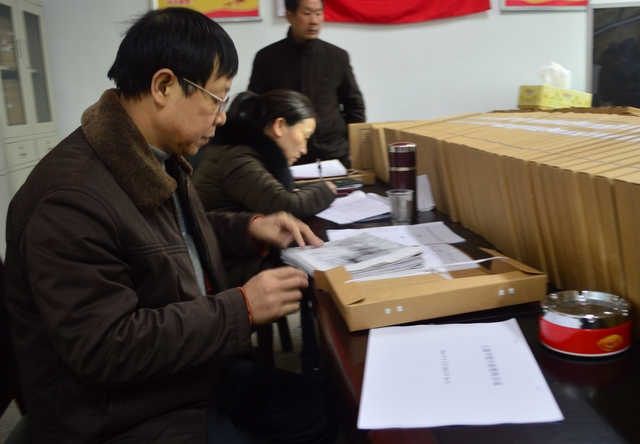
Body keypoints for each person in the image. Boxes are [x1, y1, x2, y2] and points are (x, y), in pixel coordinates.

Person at [3, 8, 337, 444]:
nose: (222, 117)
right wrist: (241, 308)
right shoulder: (70, 198)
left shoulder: (153, 155)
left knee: (326, 409)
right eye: (217, 98)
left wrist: (249, 227)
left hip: (187, 374)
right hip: (121, 415)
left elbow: (170, 238)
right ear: (163, 86)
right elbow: (106, 347)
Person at [248, 0, 365, 168]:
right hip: (286, 155)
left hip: (333, 152)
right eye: (307, 13)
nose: (314, 21)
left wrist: (353, 145)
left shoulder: (337, 56)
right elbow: (254, 108)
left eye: (318, 13)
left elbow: (354, 106)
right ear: (290, 15)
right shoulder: (267, 57)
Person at [193, 89, 337, 221]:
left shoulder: (245, 150)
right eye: (305, 137)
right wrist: (325, 190)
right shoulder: (238, 159)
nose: (304, 150)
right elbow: (287, 206)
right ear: (279, 126)